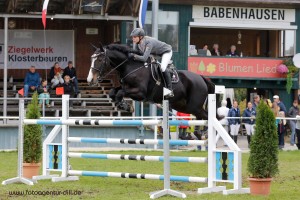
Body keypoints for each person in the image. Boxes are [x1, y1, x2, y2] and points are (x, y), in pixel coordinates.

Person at [129, 28, 174, 98]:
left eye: (134, 37)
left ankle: (169, 91)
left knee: (162, 68)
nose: (133, 39)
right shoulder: (138, 44)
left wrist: (134, 56)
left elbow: (144, 58)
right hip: (155, 54)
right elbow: (138, 55)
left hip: (166, 52)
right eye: (132, 37)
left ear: (140, 37)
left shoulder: (148, 43)